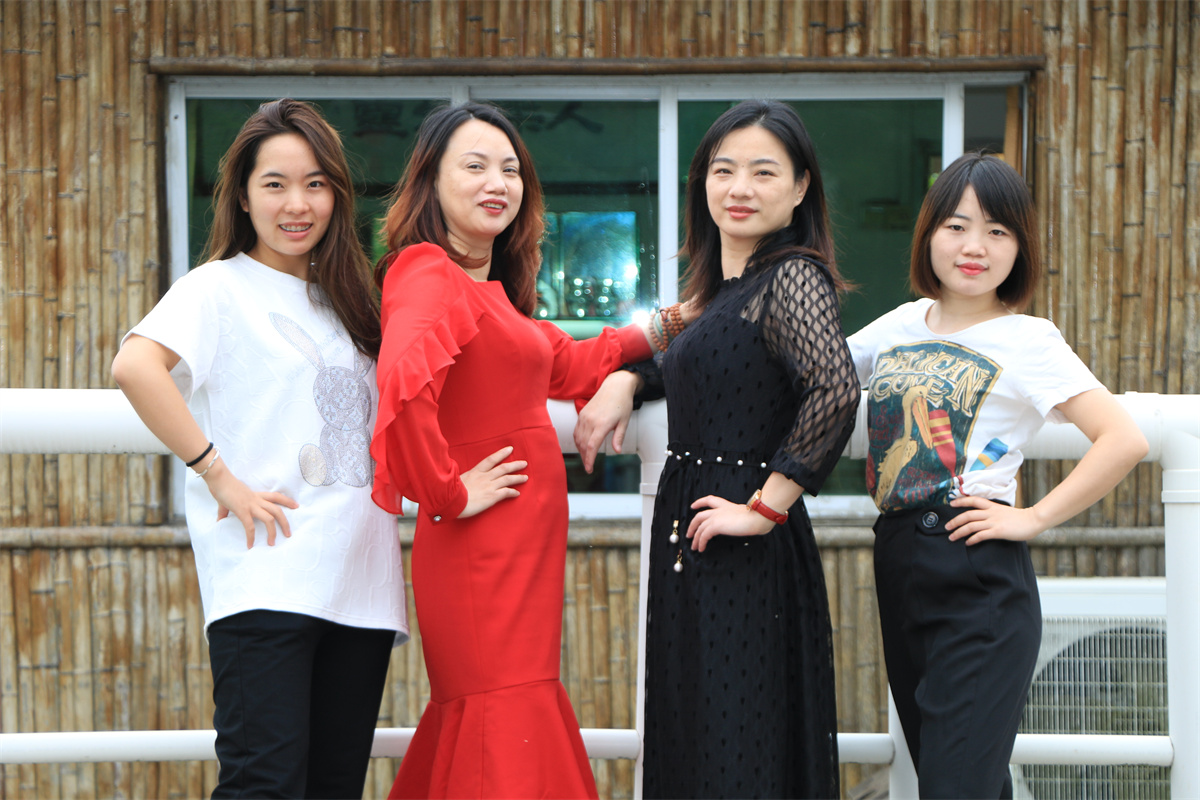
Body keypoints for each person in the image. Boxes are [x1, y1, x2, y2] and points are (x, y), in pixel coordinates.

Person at [369, 101, 667, 800]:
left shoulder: (493, 296)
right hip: (479, 544)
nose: (496, 182)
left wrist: (676, 322)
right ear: (430, 181)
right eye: (474, 166)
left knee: (509, 707)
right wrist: (446, 490)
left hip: (520, 543)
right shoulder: (426, 271)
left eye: (509, 169)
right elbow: (402, 385)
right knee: (497, 709)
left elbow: (570, 364)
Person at [111, 98, 408, 799]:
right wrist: (218, 474)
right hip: (266, 572)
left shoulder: (356, 301)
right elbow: (135, 366)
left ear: (336, 194)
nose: (296, 204)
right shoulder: (218, 287)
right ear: (243, 197)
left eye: (315, 184)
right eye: (275, 184)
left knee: (332, 787)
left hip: (361, 582)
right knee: (264, 784)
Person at [576, 100, 860, 799]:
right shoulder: (725, 291)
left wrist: (764, 508)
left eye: (764, 172)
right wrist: (627, 379)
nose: (740, 188)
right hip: (698, 545)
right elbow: (697, 362)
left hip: (744, 549)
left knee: (738, 750)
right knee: (699, 743)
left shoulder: (792, 276)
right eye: (724, 169)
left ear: (800, 187)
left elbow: (835, 389)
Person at [846, 152, 1149, 798]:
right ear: (929, 234)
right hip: (899, 561)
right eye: (956, 226)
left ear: (1020, 247)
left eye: (997, 230)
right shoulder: (899, 325)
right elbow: (812, 375)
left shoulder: (1029, 340)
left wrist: (1033, 518)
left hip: (976, 570)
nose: (974, 247)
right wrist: (636, 374)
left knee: (955, 787)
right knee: (960, 780)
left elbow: (1123, 439)